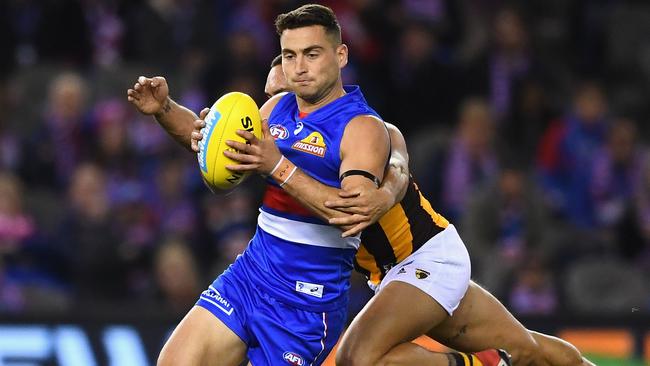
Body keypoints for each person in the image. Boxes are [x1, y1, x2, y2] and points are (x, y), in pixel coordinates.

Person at [128, 5, 392, 366]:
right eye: (289, 55)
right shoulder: (276, 109)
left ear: (340, 54)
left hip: (305, 303)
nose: (298, 67)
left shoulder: (362, 128)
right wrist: (165, 109)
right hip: (251, 275)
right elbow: (211, 143)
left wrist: (276, 165)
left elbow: (354, 212)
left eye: (312, 54)